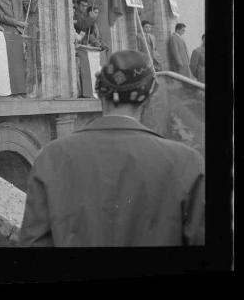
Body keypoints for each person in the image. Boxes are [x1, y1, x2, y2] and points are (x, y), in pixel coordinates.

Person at [20, 50, 205, 247]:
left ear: (99, 92)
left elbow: (33, 242)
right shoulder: (187, 162)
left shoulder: (51, 157)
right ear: (150, 95)